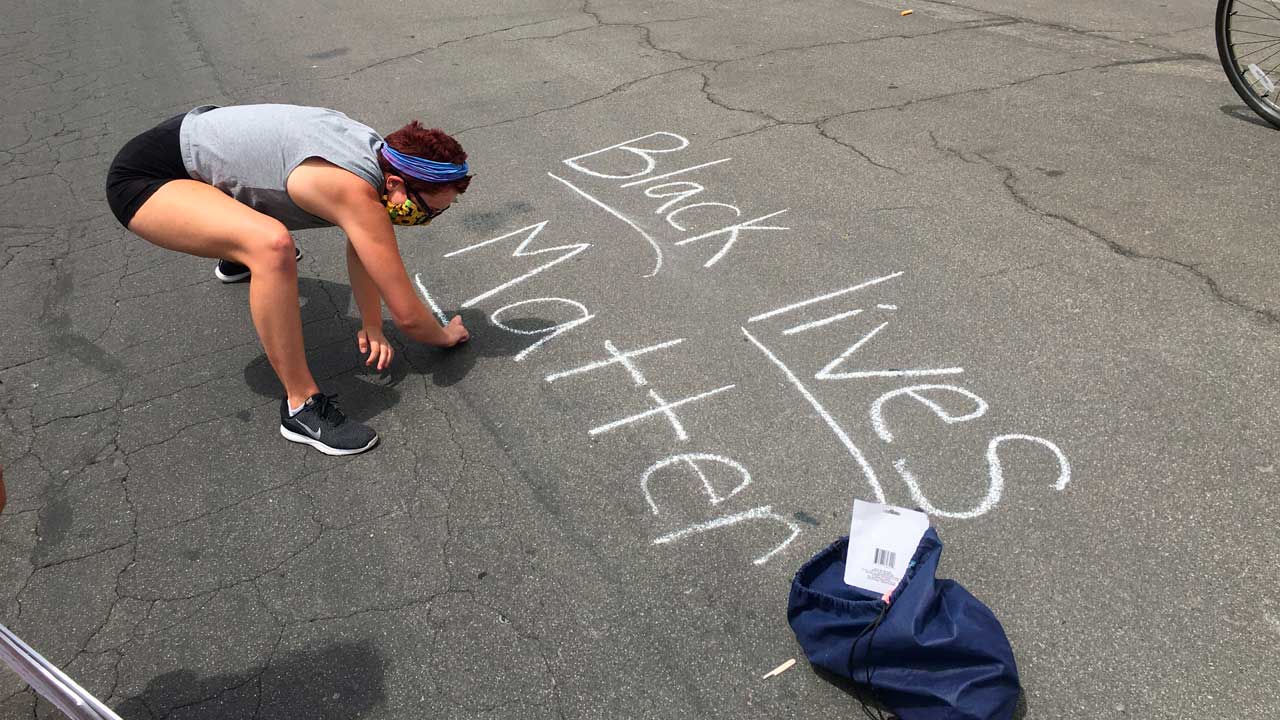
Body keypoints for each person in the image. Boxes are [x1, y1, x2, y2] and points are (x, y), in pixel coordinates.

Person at [105, 104, 471, 456]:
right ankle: (302, 408)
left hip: (193, 144)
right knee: (272, 246)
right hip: (147, 179)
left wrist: (373, 325)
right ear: (395, 183)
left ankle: (234, 252)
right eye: (427, 211)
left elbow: (367, 249)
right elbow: (407, 315)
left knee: (263, 225)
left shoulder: (379, 153)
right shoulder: (352, 189)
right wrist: (444, 335)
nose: (425, 220)